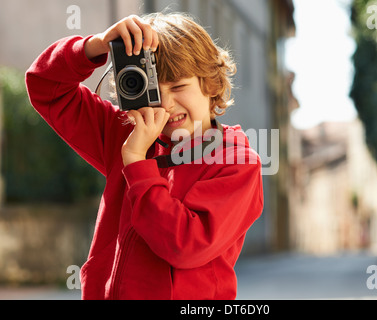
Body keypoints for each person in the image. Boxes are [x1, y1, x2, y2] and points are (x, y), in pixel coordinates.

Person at [25, 12, 264, 300]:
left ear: (210, 83)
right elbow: (44, 86)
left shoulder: (236, 162)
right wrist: (96, 46)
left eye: (178, 86)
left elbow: (186, 246)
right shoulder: (122, 133)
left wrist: (138, 163)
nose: (165, 104)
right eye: (150, 90)